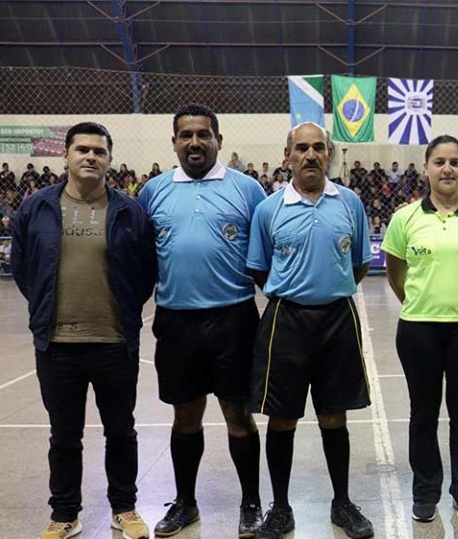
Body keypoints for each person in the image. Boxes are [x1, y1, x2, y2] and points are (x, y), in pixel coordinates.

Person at [10, 122, 157, 539]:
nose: (90, 157)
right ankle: (65, 515)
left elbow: (145, 273)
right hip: (57, 345)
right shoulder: (36, 208)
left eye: (99, 151)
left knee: (121, 430)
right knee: (64, 436)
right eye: (82, 150)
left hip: (114, 342)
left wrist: (125, 311)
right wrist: (44, 307)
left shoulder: (129, 211)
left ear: (109, 159)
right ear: (67, 156)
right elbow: (23, 269)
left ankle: (124, 508)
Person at [138, 104, 267, 538]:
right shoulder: (152, 191)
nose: (195, 142)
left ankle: (251, 504)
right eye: (186, 135)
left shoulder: (248, 190)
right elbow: (140, 260)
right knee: (185, 416)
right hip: (176, 322)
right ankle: (186, 503)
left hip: (233, 318)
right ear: (174, 142)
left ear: (219, 140)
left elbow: (268, 253)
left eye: (204, 134)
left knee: (238, 415)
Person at [246, 122, 374, 539]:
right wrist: (298, 292)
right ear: (288, 156)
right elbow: (261, 269)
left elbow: (358, 264)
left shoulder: (350, 203)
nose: (311, 155)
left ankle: (342, 503)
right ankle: (280, 509)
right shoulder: (268, 209)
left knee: (333, 414)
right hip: (287, 319)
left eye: (319, 148)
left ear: (330, 154)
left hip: (338, 318)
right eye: (302, 148)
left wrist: (325, 289)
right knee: (281, 418)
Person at [382, 135, 458, 524]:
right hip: (419, 329)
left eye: (455, 162)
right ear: (426, 168)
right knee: (422, 413)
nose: (447, 169)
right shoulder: (406, 218)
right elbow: (395, 273)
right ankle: (425, 490)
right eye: (439, 162)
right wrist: (423, 303)